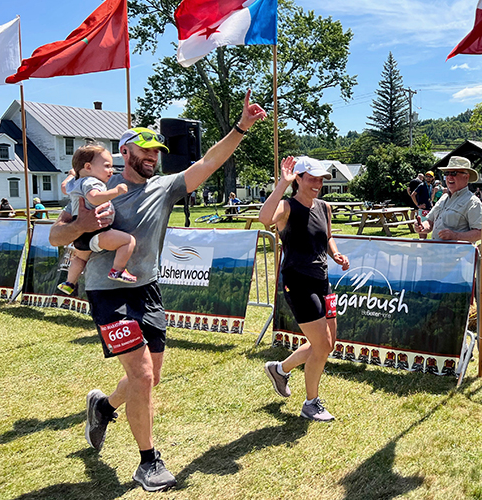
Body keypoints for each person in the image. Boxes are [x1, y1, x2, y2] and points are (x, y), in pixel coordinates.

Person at [49, 91, 266, 492]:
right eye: (146, 151)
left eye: (157, 152)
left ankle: (103, 406)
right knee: (142, 374)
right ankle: (148, 462)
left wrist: (241, 128)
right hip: (108, 293)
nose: (153, 157)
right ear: (126, 150)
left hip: (147, 290)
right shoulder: (95, 185)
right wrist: (79, 225)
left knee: (151, 378)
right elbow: (54, 235)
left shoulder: (164, 187)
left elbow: (209, 162)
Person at [258, 156, 350, 422]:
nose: (318, 184)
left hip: (322, 281)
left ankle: (280, 369)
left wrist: (336, 254)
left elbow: (328, 236)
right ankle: (311, 403)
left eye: (321, 179)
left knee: (326, 345)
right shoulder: (286, 207)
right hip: (297, 281)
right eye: (312, 179)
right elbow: (265, 219)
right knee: (321, 345)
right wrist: (281, 185)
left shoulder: (324, 207)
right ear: (297, 179)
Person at [56, 144, 138, 296]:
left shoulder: (75, 182)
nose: (111, 170)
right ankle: (117, 270)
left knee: (80, 258)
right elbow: (93, 198)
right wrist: (116, 191)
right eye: (107, 166)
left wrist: (71, 174)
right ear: (88, 167)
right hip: (97, 230)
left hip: (81, 233)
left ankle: (69, 282)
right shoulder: (92, 182)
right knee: (128, 241)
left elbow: (63, 187)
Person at [414, 156, 482, 243]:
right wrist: (422, 227)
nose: (449, 177)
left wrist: (455, 236)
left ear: (466, 176)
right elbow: (430, 221)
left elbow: (481, 233)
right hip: (436, 253)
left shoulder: (473, 202)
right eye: (447, 173)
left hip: (458, 255)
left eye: (454, 173)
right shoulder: (443, 198)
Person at [413, 171, 434, 239]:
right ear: (425, 177)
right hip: (422, 210)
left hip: (429, 209)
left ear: (433, 178)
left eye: (430, 176)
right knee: (422, 230)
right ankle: (422, 246)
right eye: (427, 176)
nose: (428, 178)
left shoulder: (430, 186)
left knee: (428, 227)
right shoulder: (421, 185)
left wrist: (431, 202)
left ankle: (425, 246)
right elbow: (413, 194)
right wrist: (418, 205)